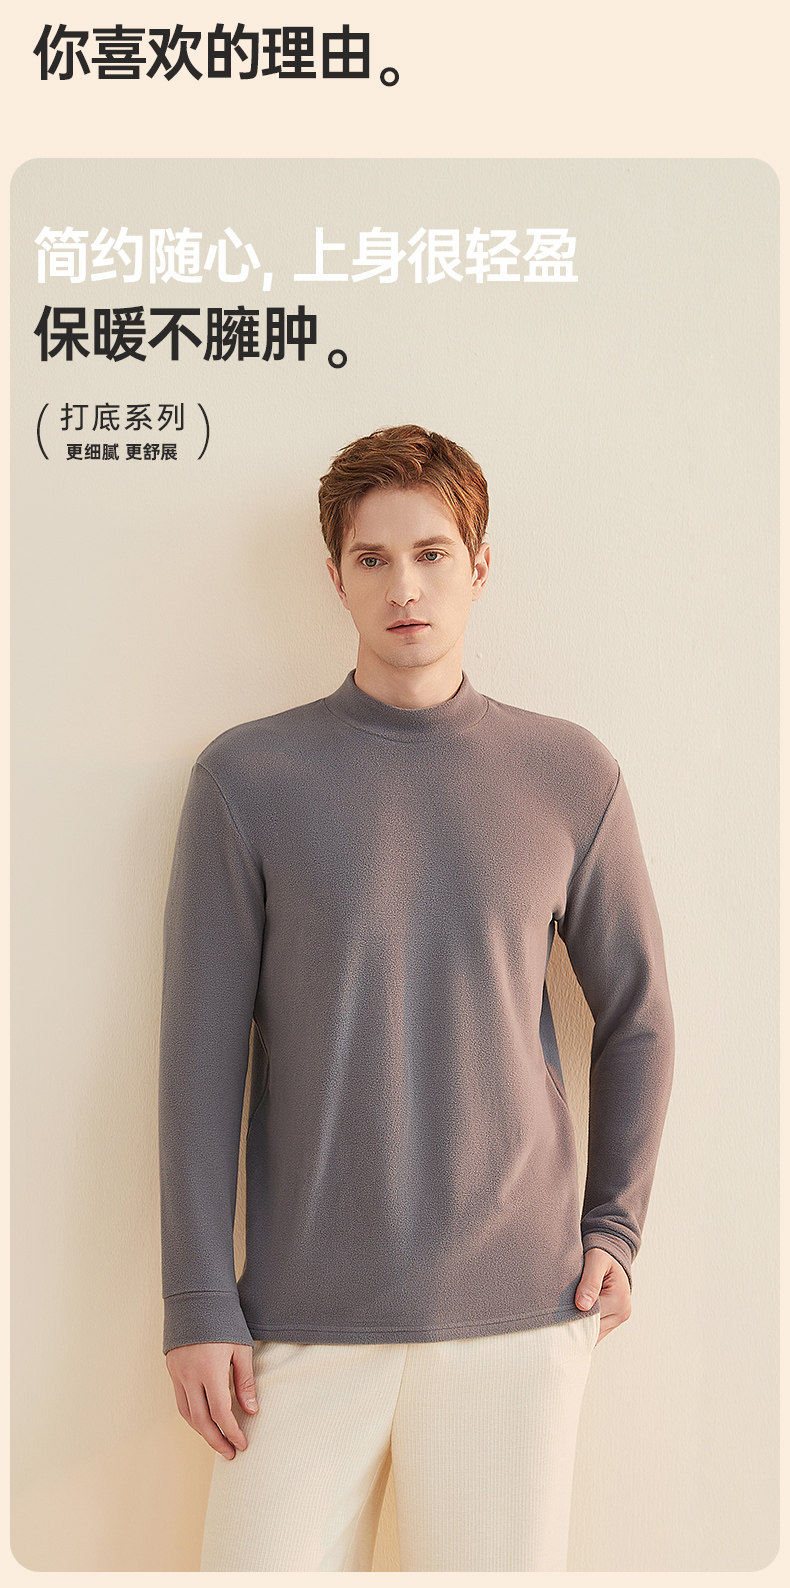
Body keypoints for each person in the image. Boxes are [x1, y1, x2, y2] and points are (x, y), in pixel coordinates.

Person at [158, 423, 675, 1571]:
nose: (404, 586)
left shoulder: (568, 772)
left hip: (518, 1315)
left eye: (432, 553)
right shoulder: (246, 778)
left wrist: (615, 1226)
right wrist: (195, 1300)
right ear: (334, 574)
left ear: (478, 567)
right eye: (373, 558)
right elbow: (197, 1060)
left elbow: (638, 1016)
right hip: (293, 1324)